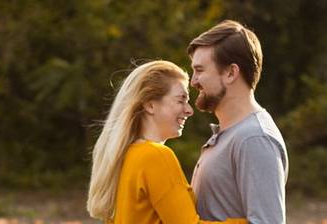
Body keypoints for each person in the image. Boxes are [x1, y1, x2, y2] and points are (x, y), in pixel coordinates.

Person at [87, 60, 246, 224]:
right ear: (150, 105)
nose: (189, 110)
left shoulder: (125, 155)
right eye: (180, 100)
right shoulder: (156, 156)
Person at [188, 21, 288, 224]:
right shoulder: (230, 134)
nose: (193, 81)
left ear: (231, 73)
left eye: (200, 70)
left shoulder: (254, 138)